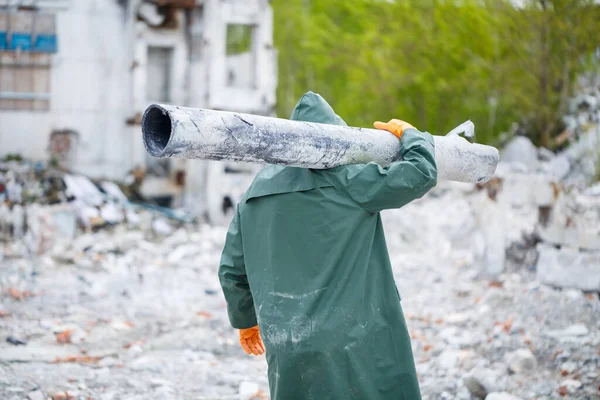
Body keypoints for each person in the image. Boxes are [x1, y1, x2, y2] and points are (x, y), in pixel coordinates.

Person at [218, 92, 437, 400]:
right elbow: (420, 173)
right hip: (355, 335)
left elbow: (231, 270)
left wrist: (246, 321)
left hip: (286, 339)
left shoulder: (255, 193)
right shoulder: (347, 178)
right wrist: (413, 137)